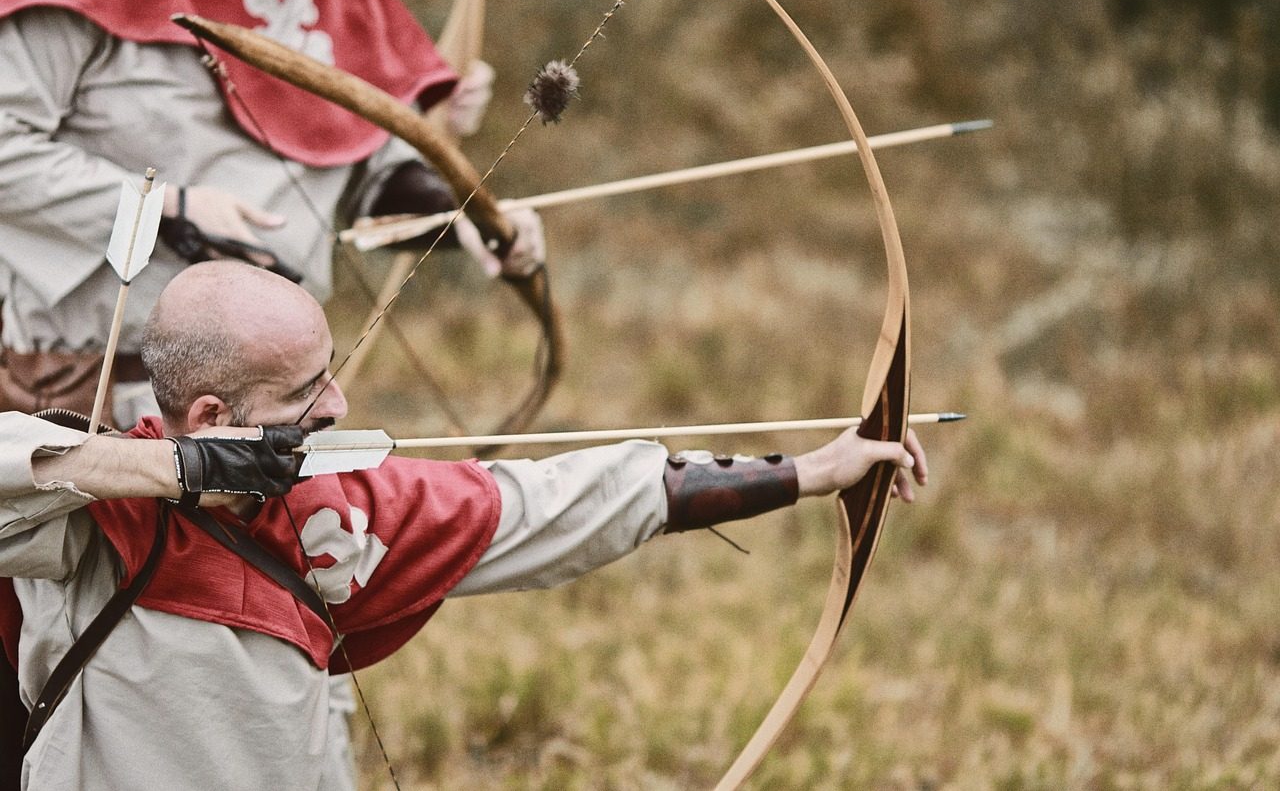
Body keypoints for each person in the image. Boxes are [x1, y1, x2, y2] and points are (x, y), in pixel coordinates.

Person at [0, 262, 927, 789]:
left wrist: (808, 472)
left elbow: (563, 499)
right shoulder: (85, 524)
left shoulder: (345, 509)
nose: (340, 403)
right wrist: (174, 473)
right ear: (208, 417)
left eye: (332, 369)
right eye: (303, 391)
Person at [0, 0, 542, 428]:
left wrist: (465, 215)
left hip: (276, 401)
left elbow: (367, 176)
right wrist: (166, 205)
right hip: (93, 390)